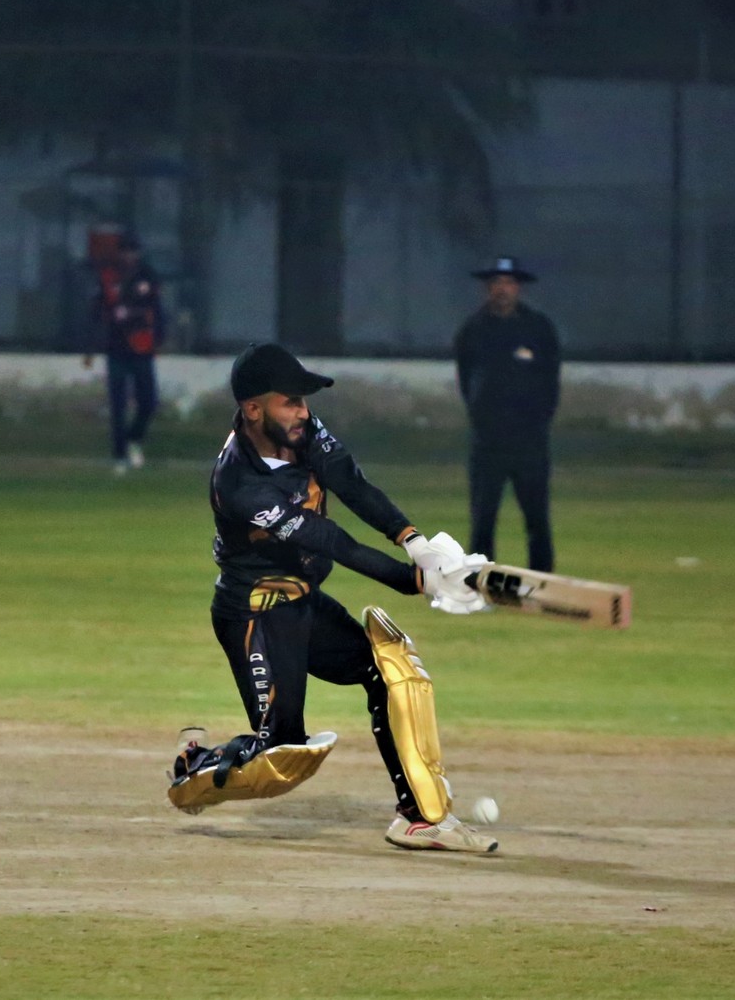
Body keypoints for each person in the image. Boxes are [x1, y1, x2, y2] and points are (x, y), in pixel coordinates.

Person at [165, 342, 499, 853]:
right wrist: (416, 581)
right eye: (290, 402)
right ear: (253, 410)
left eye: (303, 401)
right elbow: (330, 540)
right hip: (253, 614)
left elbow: (351, 483)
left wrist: (414, 542)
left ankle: (420, 818)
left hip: (302, 602)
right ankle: (195, 766)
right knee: (281, 762)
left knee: (393, 670)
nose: (303, 412)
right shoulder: (239, 482)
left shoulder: (302, 431)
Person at [453, 256, 561, 573]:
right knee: (483, 518)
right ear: (488, 288)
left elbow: (550, 381)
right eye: (497, 283)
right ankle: (479, 583)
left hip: (530, 442)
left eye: (509, 283)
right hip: (488, 443)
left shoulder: (538, 328)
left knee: (537, 518)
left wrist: (538, 422)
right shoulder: (473, 330)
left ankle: (542, 582)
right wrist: (482, 418)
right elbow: (467, 380)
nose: (503, 289)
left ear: (519, 288)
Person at [83, 233, 163, 474]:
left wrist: (159, 337)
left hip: (142, 347)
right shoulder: (108, 278)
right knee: (118, 405)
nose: (129, 257)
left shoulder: (147, 276)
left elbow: (156, 309)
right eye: (125, 252)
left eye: (133, 252)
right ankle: (119, 455)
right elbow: (97, 312)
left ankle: (133, 439)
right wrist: (91, 345)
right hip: (116, 348)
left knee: (148, 401)